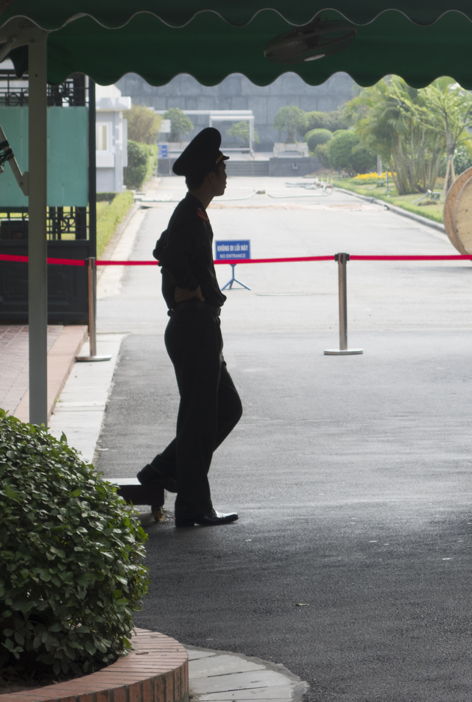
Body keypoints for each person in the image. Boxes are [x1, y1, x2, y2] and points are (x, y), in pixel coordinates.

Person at [137, 127, 242, 528]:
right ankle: (193, 507)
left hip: (199, 327)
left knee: (225, 408)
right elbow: (167, 253)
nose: (226, 176)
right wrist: (190, 289)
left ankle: (164, 470)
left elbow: (161, 247)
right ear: (209, 175)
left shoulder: (192, 212)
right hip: (193, 326)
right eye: (222, 169)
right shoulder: (189, 215)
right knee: (199, 417)